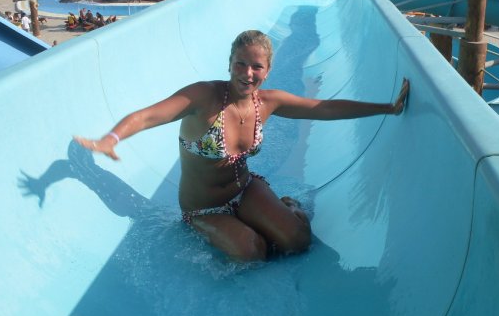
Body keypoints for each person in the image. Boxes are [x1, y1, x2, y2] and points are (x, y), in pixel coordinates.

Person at [75, 30, 410, 262]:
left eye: (256, 66)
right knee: (252, 251)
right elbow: (147, 116)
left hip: (245, 189)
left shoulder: (267, 102)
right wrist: (110, 139)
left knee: (297, 241)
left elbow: (324, 108)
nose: (247, 73)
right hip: (205, 208)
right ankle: (254, 222)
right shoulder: (203, 96)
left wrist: (386, 107)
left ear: (268, 70)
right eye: (240, 63)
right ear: (229, 63)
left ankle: (286, 206)